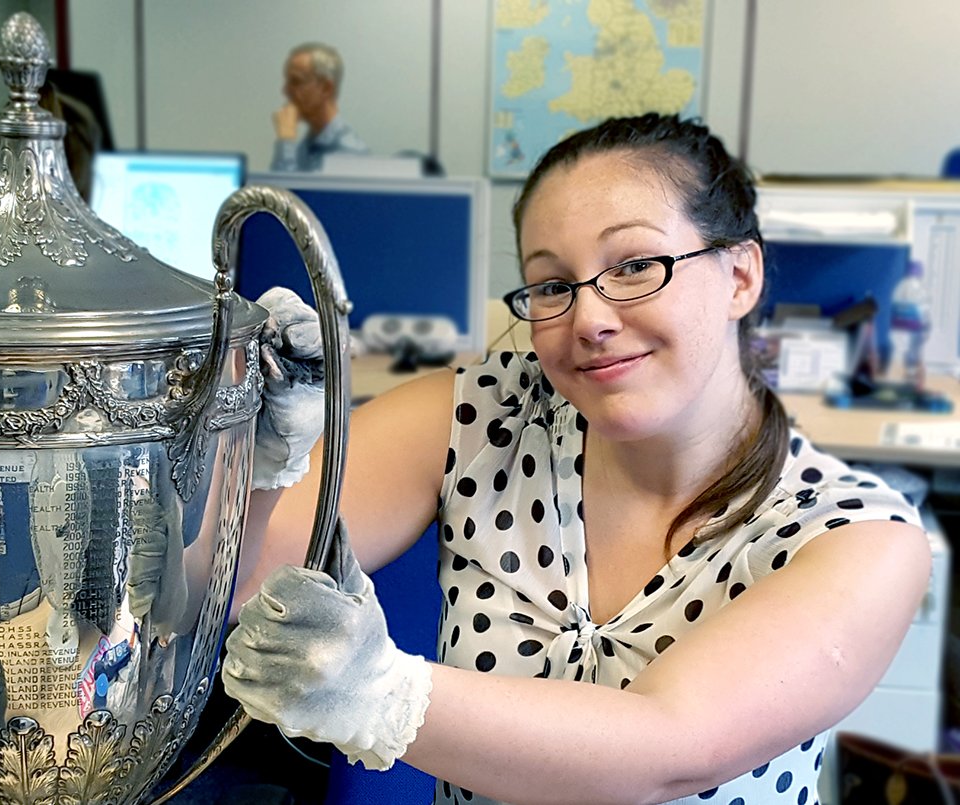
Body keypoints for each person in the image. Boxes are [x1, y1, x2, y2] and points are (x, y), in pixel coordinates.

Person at [226, 112, 933, 804]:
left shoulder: (858, 538)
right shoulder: (482, 415)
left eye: (634, 265)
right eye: (553, 285)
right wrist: (261, 467)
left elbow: (666, 747)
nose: (589, 319)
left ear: (741, 275)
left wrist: (376, 691)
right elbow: (241, 582)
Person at [270, 42, 369, 172]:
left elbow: (288, 191)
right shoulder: (306, 147)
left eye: (296, 81)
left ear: (326, 88)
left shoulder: (349, 153)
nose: (285, 91)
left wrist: (286, 140)